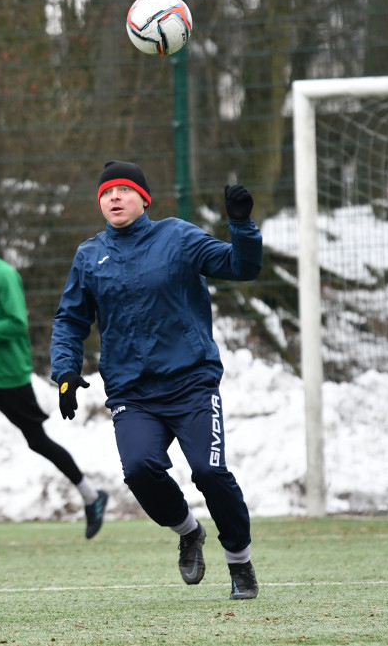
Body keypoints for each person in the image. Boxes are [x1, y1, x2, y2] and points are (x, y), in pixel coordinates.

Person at [49, 160, 262, 600]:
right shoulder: (90, 255)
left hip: (191, 383)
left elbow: (241, 267)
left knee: (210, 471)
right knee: (141, 471)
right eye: (106, 193)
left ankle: (239, 563)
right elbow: (70, 320)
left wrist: (241, 225)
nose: (114, 198)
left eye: (123, 190)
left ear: (143, 198)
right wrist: (66, 370)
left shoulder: (178, 237)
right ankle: (189, 532)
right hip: (132, 392)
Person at [0, 211, 108, 546]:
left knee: (36, 441)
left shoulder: (2, 274)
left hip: (8, 376)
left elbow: (16, 324)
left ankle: (91, 495)